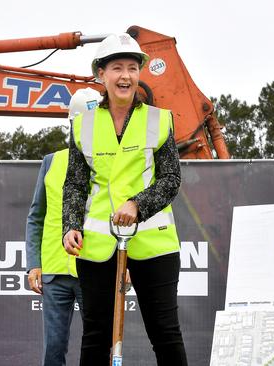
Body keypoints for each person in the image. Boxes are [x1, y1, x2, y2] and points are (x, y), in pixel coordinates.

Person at [62, 33, 188, 365]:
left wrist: (137, 204)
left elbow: (171, 179)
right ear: (100, 75)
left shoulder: (159, 120)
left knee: (165, 334)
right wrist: (71, 225)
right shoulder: (82, 125)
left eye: (132, 68)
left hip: (153, 243)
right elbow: (75, 184)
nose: (125, 76)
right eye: (116, 68)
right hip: (98, 245)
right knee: (95, 337)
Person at [26, 87, 102, 366]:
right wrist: (34, 263)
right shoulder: (51, 162)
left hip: (95, 268)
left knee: (98, 345)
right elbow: (36, 216)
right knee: (53, 350)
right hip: (55, 272)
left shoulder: (110, 164)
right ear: (72, 123)